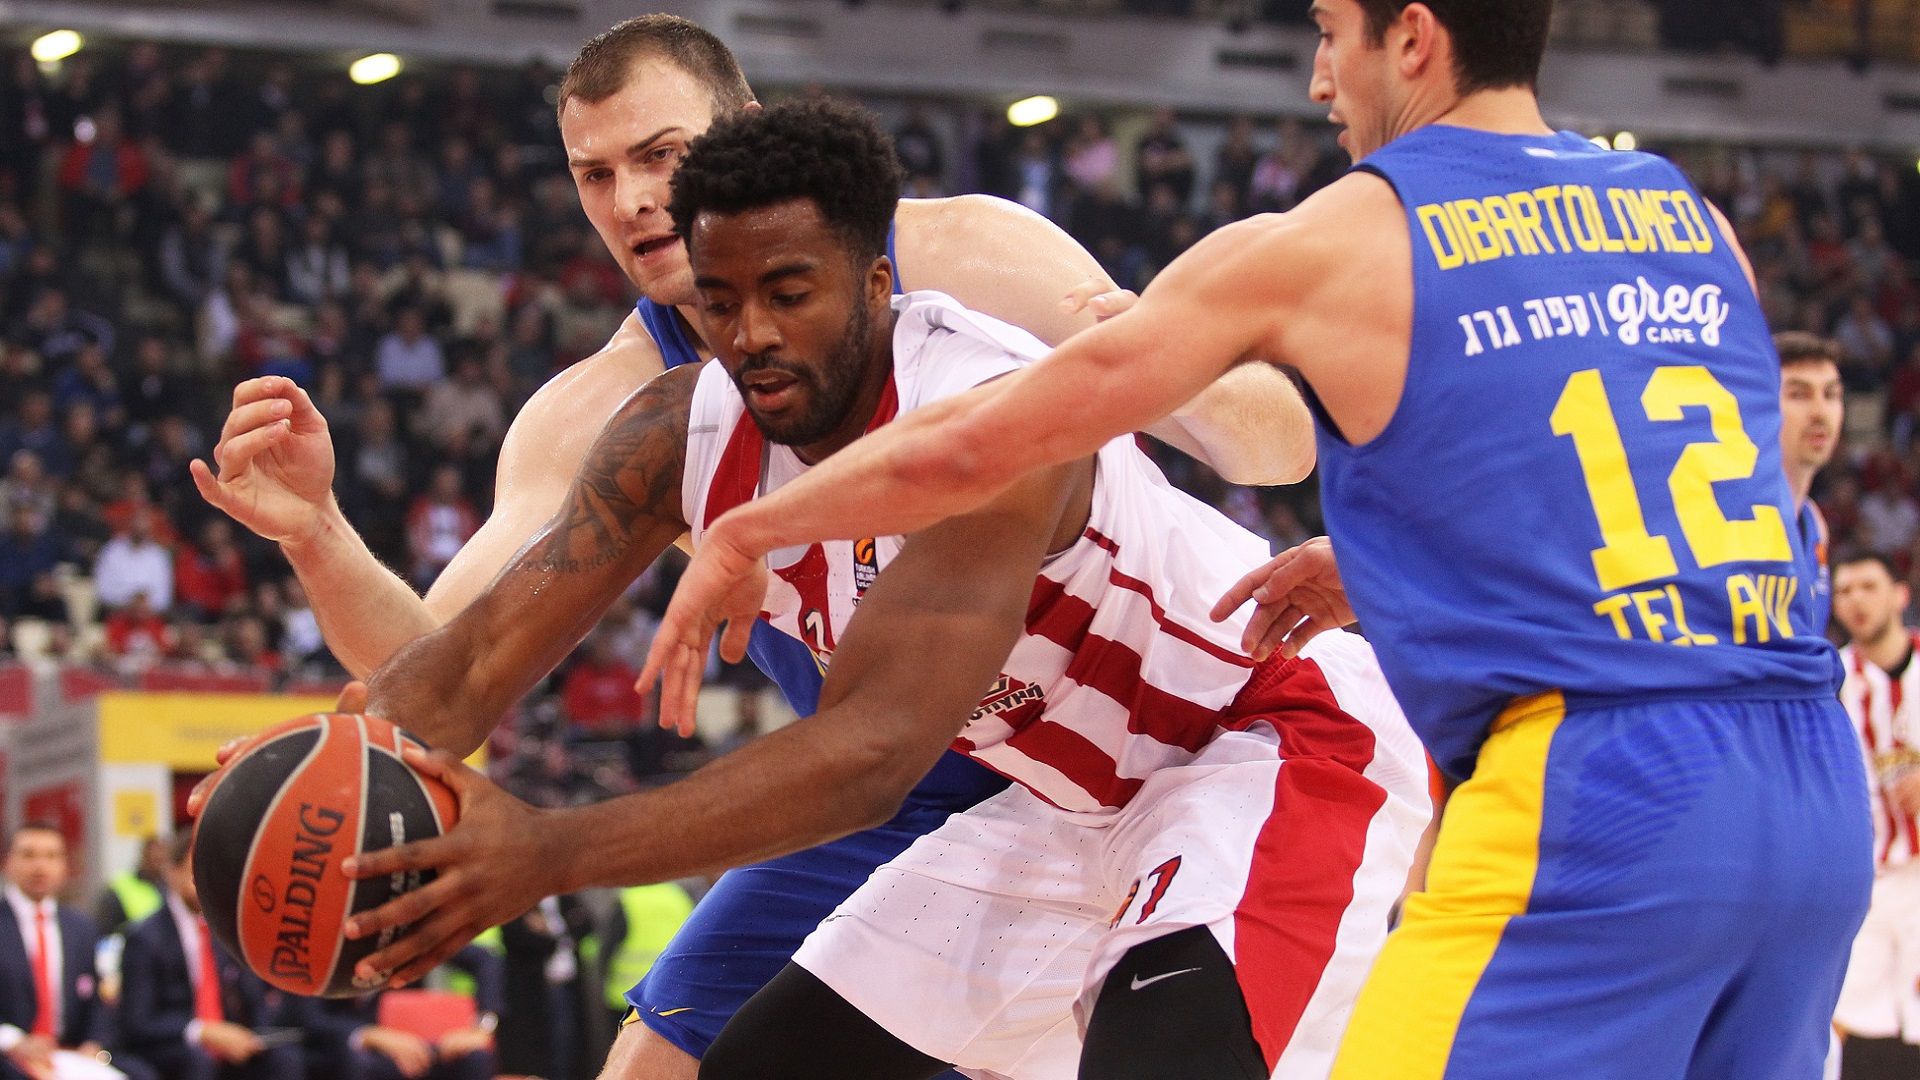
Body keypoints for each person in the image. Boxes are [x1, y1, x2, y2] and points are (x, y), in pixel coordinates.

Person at [642, 3, 1871, 1076]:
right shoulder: (1686, 214)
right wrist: (1395, 566)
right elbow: (1694, 501)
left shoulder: (1338, 237)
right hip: (1811, 778)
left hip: (1602, 781)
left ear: (1413, 36)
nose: (1320, 77)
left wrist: (756, 525)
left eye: (1331, 33)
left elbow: (984, 441)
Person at [188, 14, 1312, 1080]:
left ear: (745, 135)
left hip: (1176, 724)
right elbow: (455, 663)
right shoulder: (633, 415)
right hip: (920, 782)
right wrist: (320, 557)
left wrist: (1163, 370)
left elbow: (1281, 445)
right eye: (594, 175)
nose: (635, 200)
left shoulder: (967, 271)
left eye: (660, 154)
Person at [117, 834, 308, 1080]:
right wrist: (203, 1032)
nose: (205, 882)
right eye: (195, 872)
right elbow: (140, 1021)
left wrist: (253, 1034)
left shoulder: (226, 930)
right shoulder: (145, 938)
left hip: (231, 1035)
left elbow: (251, 997)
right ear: (172, 873)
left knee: (285, 1057)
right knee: (199, 1060)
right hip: (176, 1043)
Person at [1832, 552, 1920, 1079]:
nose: (1856, 600)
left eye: (1868, 586)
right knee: (1842, 1019)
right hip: (1868, 878)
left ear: (1900, 595)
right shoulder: (1831, 681)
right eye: (1844, 591)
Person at [0, 824, 113, 1080]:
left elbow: (97, 998)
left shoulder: (81, 928)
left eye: (51, 856)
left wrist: (94, 1042)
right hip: (10, 1057)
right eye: (29, 855)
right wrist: (13, 1041)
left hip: (70, 1056)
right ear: (8, 863)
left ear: (64, 866)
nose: (40, 866)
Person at [1778, 331, 1844, 635]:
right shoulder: (1729, 516)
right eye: (1798, 395)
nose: (1820, 412)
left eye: (1830, 394)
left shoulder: (1815, 522)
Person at [93, 836, 167, 935]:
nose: (159, 864)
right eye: (155, 859)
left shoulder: (169, 887)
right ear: (144, 856)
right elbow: (105, 929)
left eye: (162, 859)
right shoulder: (120, 887)